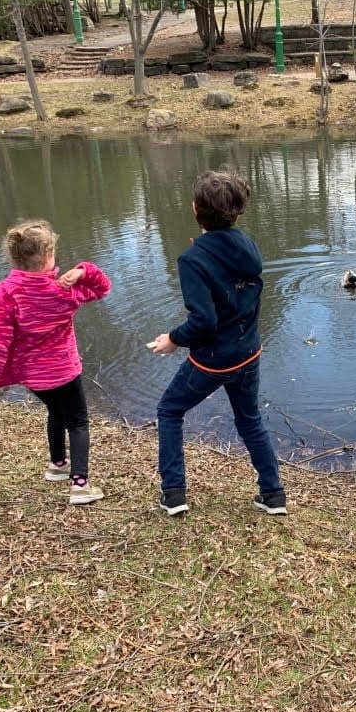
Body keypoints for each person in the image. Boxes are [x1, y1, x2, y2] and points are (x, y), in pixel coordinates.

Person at [150, 170, 286, 517]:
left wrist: (173, 340)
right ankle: (273, 495)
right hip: (249, 352)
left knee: (169, 410)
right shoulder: (249, 247)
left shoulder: (192, 260)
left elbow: (204, 322)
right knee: (249, 419)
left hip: (213, 360)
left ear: (195, 210)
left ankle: (174, 493)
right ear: (238, 212)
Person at [0, 220, 111, 506]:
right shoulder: (63, 291)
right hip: (64, 372)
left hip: (34, 379)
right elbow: (102, 287)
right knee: (77, 422)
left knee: (55, 412)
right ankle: (80, 485)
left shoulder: (1, 295)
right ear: (47, 258)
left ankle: (57, 465)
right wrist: (84, 271)